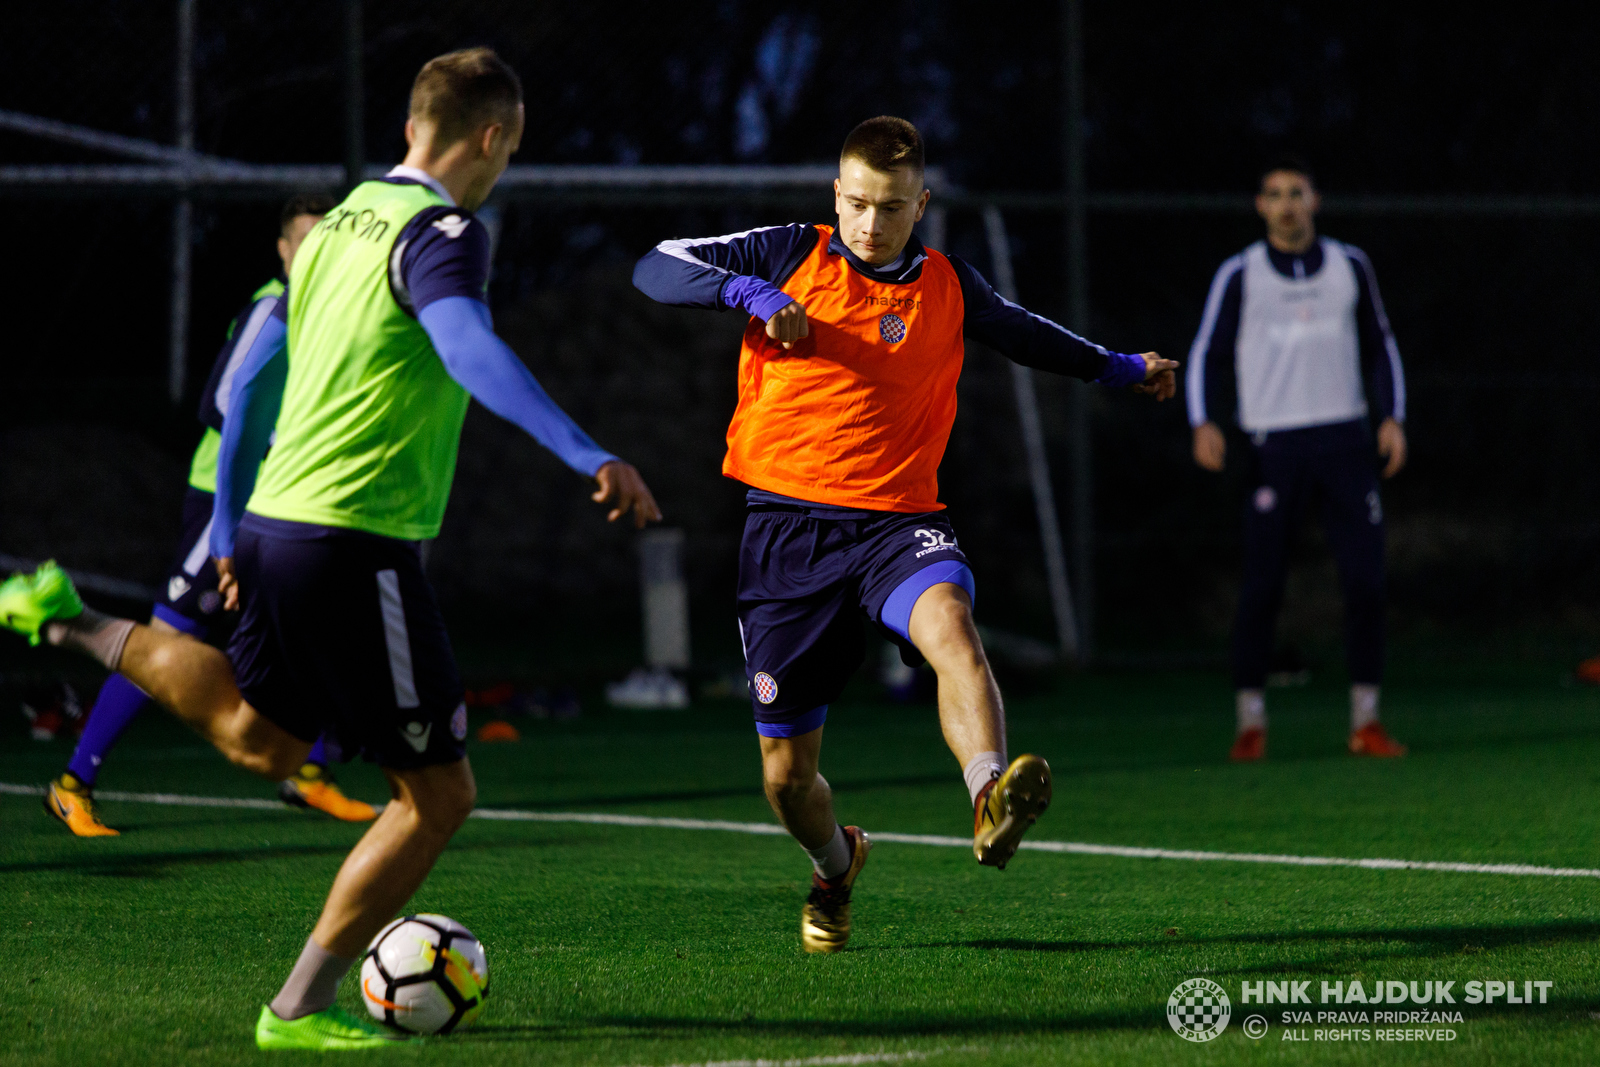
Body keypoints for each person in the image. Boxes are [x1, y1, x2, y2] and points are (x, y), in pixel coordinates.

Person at [0, 48, 659, 1050]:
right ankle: (296, 1008)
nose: (504, 168)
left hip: (275, 527)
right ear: (489, 137)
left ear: (409, 125)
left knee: (260, 738)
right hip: (355, 540)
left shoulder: (341, 222)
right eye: (509, 149)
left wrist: (230, 523)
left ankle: (62, 612)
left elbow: (252, 379)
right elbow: (467, 347)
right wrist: (588, 450)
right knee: (439, 794)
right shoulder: (444, 229)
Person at [633, 116, 1176, 954]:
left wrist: (1123, 367)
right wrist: (750, 292)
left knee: (954, 631)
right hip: (786, 532)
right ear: (835, 195)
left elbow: (1031, 335)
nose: (870, 224)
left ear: (920, 204)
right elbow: (658, 263)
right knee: (786, 778)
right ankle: (834, 863)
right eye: (855, 203)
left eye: (890, 207)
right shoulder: (787, 252)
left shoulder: (951, 286)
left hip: (899, 523)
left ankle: (990, 796)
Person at [43, 194, 379, 837]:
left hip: (286, 500)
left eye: (323, 241)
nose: (313, 253)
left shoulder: (334, 309)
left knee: (311, 628)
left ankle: (308, 774)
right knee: (166, 642)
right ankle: (72, 782)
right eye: (301, 242)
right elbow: (225, 401)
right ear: (283, 251)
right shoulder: (270, 307)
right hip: (227, 500)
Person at [1185, 156, 1409, 763]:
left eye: (1298, 193)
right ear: (1262, 206)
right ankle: (1250, 721)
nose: (1287, 204)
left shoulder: (1349, 265)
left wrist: (1392, 416)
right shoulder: (1241, 272)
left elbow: (1381, 341)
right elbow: (1207, 350)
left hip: (1345, 444)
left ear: (1314, 200)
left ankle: (1366, 720)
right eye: (1276, 194)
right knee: (1262, 586)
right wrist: (1202, 420)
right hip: (1273, 447)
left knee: (1365, 583)